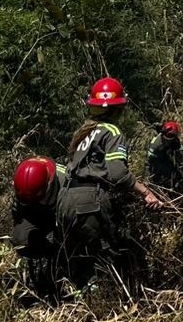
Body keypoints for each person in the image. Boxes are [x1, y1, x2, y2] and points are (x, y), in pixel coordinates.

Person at [57, 76, 164, 288]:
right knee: (109, 256)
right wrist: (146, 193)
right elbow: (118, 175)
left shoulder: (81, 133)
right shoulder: (112, 132)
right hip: (90, 201)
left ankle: (79, 304)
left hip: (65, 199)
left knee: (79, 258)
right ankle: (112, 303)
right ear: (118, 109)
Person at [10, 156, 66, 261]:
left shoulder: (67, 183)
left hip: (64, 216)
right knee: (21, 238)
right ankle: (48, 256)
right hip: (38, 215)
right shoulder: (22, 185)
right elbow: (18, 215)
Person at [146, 120, 183, 191]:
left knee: (175, 171)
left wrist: (179, 161)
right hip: (156, 159)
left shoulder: (174, 140)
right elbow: (149, 162)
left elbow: (179, 150)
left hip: (165, 154)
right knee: (165, 173)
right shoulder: (155, 145)